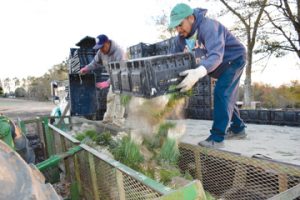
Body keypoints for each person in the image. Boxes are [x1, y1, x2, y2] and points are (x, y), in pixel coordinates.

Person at [169, 3, 247, 148]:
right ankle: (238, 128)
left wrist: (198, 73)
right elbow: (174, 60)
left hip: (233, 59)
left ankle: (217, 139)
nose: (178, 30)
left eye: (180, 25)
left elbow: (216, 55)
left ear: (191, 18)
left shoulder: (209, 27)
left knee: (221, 92)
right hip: (215, 66)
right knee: (225, 95)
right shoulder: (180, 39)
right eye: (176, 27)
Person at [80, 34, 126, 127]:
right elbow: (95, 63)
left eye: (102, 47)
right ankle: (108, 120)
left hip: (123, 78)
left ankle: (118, 123)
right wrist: (87, 68)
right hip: (113, 79)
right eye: (99, 48)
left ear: (107, 43)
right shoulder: (101, 52)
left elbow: (120, 70)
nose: (101, 50)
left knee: (119, 100)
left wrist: (107, 82)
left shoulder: (119, 52)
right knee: (110, 97)